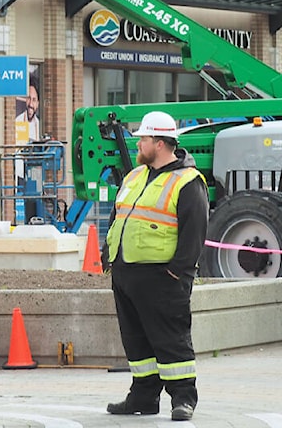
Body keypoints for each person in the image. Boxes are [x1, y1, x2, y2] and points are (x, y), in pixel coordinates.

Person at [103, 110, 208, 422]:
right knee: (136, 340)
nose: (138, 145)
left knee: (171, 340)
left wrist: (178, 272)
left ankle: (183, 399)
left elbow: (194, 231)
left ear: (160, 143)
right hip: (126, 271)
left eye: (144, 139)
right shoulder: (134, 175)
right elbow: (118, 215)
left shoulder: (188, 181)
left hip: (163, 276)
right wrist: (108, 253)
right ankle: (144, 397)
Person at [14, 73, 40, 142]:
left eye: (34, 100)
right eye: (29, 98)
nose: (31, 104)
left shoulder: (39, 124)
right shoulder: (18, 121)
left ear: (38, 104)